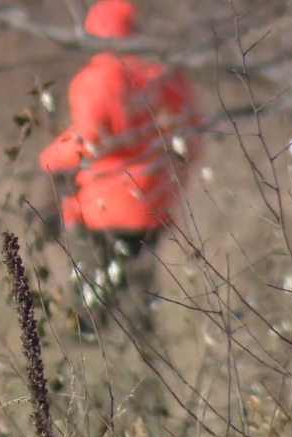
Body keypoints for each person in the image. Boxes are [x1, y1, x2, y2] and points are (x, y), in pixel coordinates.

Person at [37, 0, 202, 341]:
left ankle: (91, 374)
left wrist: (50, 158)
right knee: (140, 303)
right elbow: (193, 128)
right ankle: (147, 374)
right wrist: (173, 177)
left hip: (99, 211)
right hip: (150, 206)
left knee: (91, 305)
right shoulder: (160, 75)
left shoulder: (95, 80)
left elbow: (89, 140)